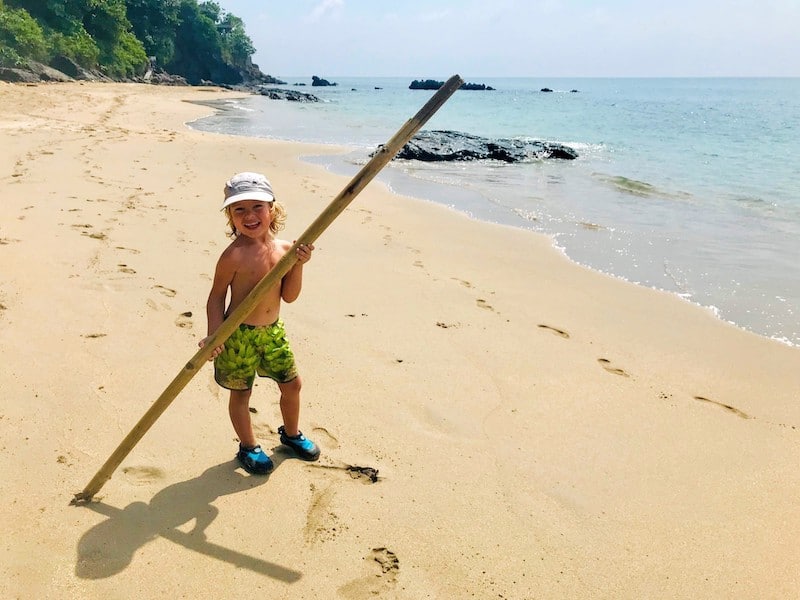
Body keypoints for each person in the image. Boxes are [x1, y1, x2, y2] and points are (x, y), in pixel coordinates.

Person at [199, 171, 320, 474]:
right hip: (237, 336)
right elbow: (216, 297)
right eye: (239, 209)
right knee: (241, 393)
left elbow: (289, 297)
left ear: (272, 210)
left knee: (292, 385)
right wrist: (216, 335)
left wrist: (299, 265)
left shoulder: (285, 250)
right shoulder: (233, 256)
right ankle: (248, 446)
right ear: (230, 216)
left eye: (257, 207)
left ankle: (291, 435)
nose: (249, 216)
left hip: (273, 332)